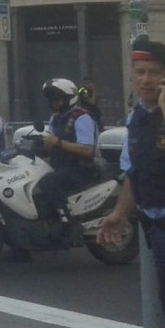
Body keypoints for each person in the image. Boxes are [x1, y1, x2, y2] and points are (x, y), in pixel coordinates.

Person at [98, 36, 165, 328]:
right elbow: (133, 171)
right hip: (158, 227)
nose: (145, 79)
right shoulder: (137, 117)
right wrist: (119, 213)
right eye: (139, 71)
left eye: (154, 72)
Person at [35, 77, 99, 223]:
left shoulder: (81, 117)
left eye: (58, 99)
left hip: (80, 168)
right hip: (59, 165)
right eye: (52, 100)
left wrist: (57, 142)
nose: (54, 103)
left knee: (48, 182)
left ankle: (67, 222)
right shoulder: (56, 118)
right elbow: (49, 141)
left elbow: (87, 149)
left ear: (69, 98)